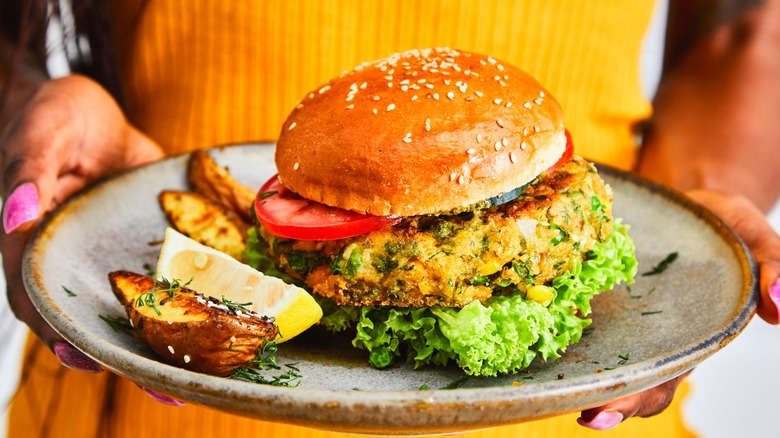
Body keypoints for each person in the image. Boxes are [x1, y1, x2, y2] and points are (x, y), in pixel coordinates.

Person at [1, 0, 779, 436]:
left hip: (572, 401)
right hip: (164, 392)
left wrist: (686, 209)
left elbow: (741, 27)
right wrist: (23, 109)